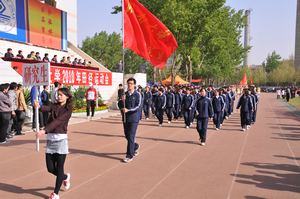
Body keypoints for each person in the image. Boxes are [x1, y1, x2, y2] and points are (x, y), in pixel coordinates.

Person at [35, 87, 72, 199]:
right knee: (50, 168)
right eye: (58, 94)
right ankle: (65, 177)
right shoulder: (54, 105)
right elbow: (46, 108)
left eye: (61, 95)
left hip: (61, 140)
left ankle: (55, 193)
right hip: (51, 140)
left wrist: (44, 130)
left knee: (59, 167)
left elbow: (57, 122)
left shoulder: (67, 110)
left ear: (67, 96)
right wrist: (39, 106)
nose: (59, 96)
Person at [117, 78, 141, 163]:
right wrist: (121, 101)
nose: (129, 85)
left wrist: (128, 110)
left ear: (134, 84)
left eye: (131, 83)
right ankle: (135, 146)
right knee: (127, 135)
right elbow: (119, 104)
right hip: (125, 118)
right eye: (128, 83)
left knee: (131, 135)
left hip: (134, 118)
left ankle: (129, 155)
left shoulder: (137, 94)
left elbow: (138, 106)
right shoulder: (125, 94)